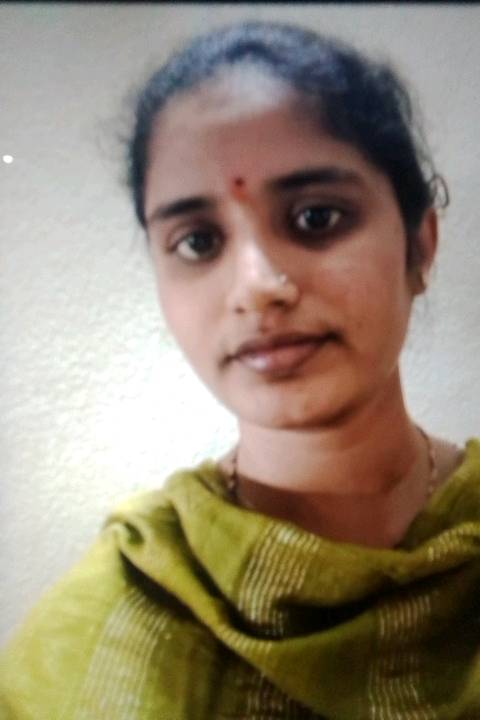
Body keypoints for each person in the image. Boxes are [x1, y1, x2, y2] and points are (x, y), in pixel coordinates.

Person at [1, 19, 479, 720]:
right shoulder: (116, 608)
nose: (257, 286)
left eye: (316, 218)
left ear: (421, 245)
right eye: (198, 241)